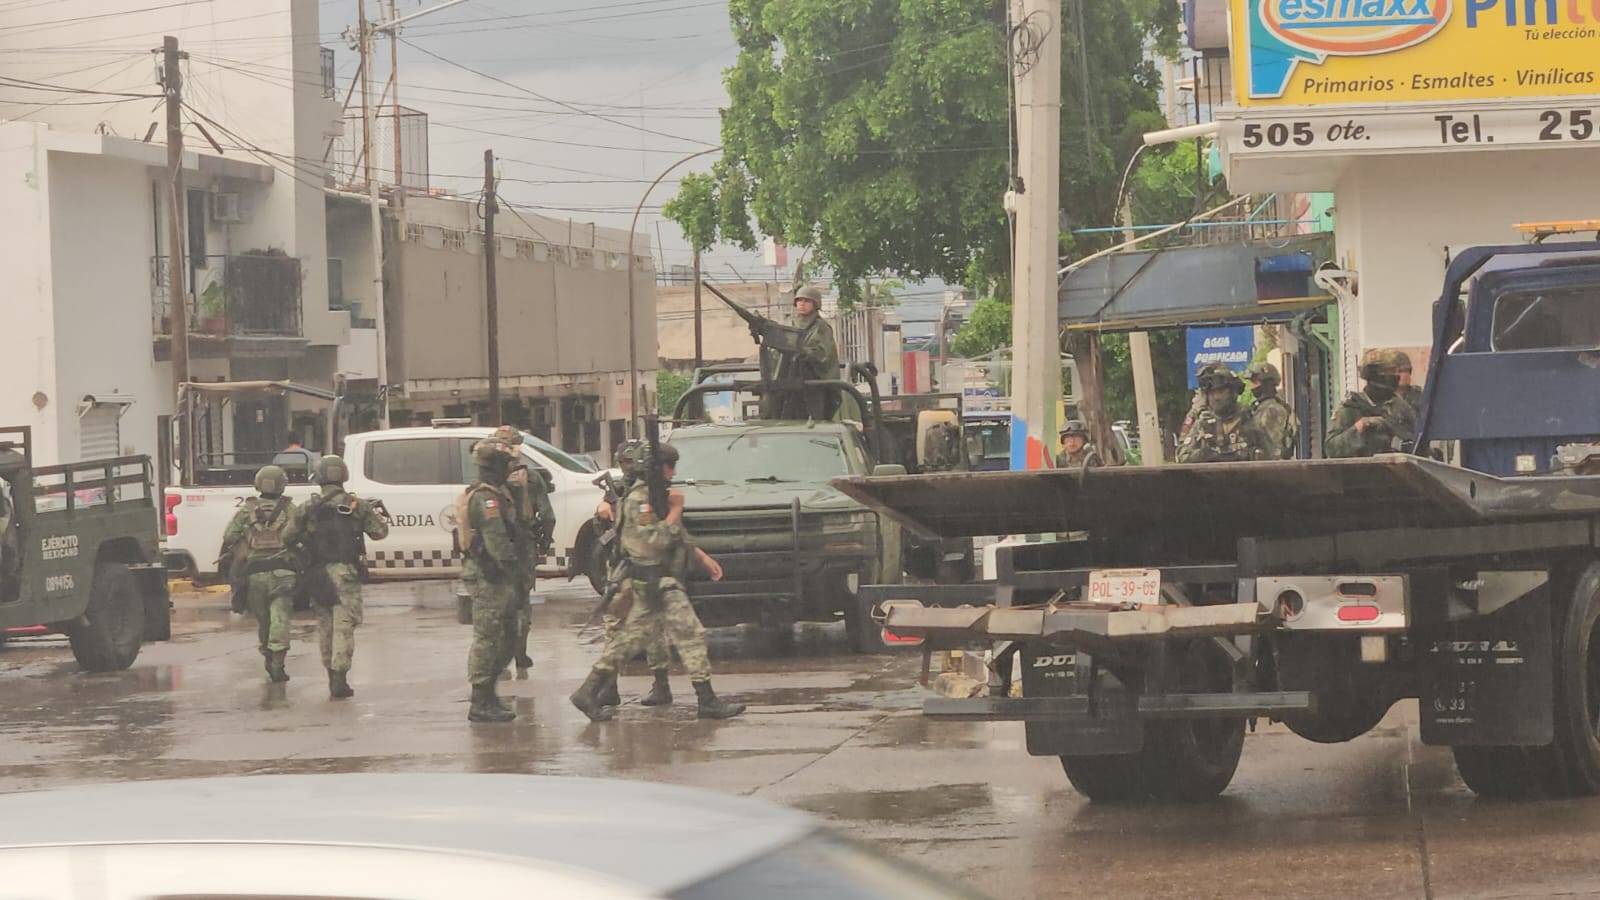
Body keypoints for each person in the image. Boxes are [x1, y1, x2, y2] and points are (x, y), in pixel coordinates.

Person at [570, 442, 745, 722]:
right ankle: (707, 700)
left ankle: (587, 691)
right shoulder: (641, 500)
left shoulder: (653, 496)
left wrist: (701, 557)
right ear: (655, 468)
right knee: (691, 634)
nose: (674, 472)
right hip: (656, 581)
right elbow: (653, 543)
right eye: (669, 466)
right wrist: (676, 510)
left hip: (653, 582)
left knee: (629, 641)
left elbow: (676, 535)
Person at [297, 455, 389, 699]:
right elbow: (380, 532)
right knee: (344, 626)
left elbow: (287, 536)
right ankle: (340, 678)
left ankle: (331, 675)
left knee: (325, 625)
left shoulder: (308, 507)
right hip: (346, 573)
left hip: (318, 573)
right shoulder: (356, 506)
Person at [592, 440, 673, 707]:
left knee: (650, 626)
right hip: (620, 563)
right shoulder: (618, 489)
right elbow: (602, 527)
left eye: (630, 462)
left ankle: (660, 685)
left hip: (640, 564)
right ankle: (610, 687)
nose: (627, 468)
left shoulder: (649, 492)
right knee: (615, 624)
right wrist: (604, 513)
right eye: (623, 463)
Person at [460, 439, 526, 722]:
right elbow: (497, 541)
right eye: (504, 465)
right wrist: (514, 571)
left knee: (510, 636)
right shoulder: (485, 498)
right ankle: (480, 699)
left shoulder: (499, 493)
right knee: (488, 638)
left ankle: (489, 694)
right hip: (490, 575)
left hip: (500, 576)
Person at [218, 465, 298, 683]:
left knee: (264, 621)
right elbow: (302, 534)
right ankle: (277, 660)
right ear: (282, 485)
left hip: (254, 574)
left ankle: (267, 653)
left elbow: (229, 536)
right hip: (284, 573)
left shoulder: (246, 510)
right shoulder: (291, 510)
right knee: (280, 617)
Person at [489, 425, 552, 674]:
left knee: (498, 601)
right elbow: (547, 515)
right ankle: (520, 653)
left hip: (497, 547)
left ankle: (499, 656)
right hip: (524, 546)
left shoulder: (488, 478)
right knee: (522, 601)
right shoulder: (531, 477)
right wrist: (543, 543)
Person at [1325, 349, 1417, 458]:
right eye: (1390, 371)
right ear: (1376, 375)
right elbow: (1331, 449)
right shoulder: (1351, 408)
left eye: (1396, 371)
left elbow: (1416, 441)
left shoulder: (1400, 407)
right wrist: (1360, 427)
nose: (1396, 376)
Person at [772, 284, 841, 420]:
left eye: (807, 301)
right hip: (788, 383)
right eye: (799, 300)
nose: (802, 304)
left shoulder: (821, 327)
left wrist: (803, 352)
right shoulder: (788, 324)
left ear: (815, 304)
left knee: (815, 420)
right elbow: (777, 353)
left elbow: (823, 354)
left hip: (813, 382)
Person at [1176, 365, 1270, 463]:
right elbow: (1182, 456)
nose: (1216, 397)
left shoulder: (1248, 418)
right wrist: (1204, 455)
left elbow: (1269, 456)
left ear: (1233, 393)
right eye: (1211, 393)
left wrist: (1245, 454)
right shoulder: (1203, 422)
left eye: (1221, 392)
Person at [1246, 361, 1300, 461]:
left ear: (1267, 383)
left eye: (1256, 382)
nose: (1252, 387)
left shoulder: (1273, 409)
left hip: (1271, 467)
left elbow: (1275, 448)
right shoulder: (1261, 407)